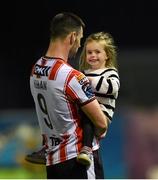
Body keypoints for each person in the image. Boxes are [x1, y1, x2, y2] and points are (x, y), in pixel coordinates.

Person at [28, 12, 108, 179]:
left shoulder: (36, 70)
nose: (79, 45)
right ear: (72, 37)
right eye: (80, 38)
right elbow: (101, 124)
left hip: (53, 163)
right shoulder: (72, 77)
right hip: (78, 162)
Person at [76, 31, 120, 166]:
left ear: (107, 55)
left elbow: (113, 88)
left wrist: (88, 80)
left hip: (102, 113)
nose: (93, 55)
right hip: (87, 110)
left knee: (88, 115)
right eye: (89, 52)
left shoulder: (110, 71)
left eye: (97, 52)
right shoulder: (83, 72)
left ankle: (87, 149)